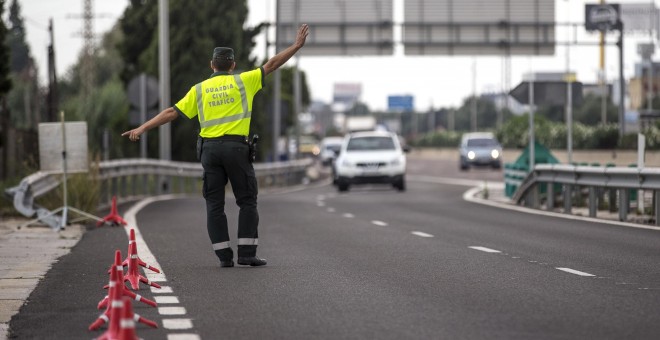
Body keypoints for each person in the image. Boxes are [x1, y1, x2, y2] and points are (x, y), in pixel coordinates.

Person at [122, 24, 309, 267]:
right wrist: (296, 46)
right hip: (236, 150)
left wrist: (142, 128)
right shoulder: (245, 81)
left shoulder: (199, 90)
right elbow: (272, 64)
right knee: (247, 201)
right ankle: (246, 254)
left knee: (214, 204)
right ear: (232, 65)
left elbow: (171, 112)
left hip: (209, 152)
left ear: (212, 65)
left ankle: (224, 257)